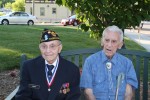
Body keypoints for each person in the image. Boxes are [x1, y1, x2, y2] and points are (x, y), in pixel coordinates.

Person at [15, 29, 81, 100]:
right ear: (39, 48)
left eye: (52, 46)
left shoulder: (72, 70)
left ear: (59, 48)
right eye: (44, 46)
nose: (47, 50)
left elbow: (74, 97)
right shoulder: (29, 67)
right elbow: (22, 96)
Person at [80, 25, 138, 100]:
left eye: (114, 41)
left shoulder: (127, 64)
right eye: (107, 40)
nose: (109, 45)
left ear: (120, 45)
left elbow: (129, 93)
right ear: (102, 42)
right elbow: (88, 92)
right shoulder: (90, 61)